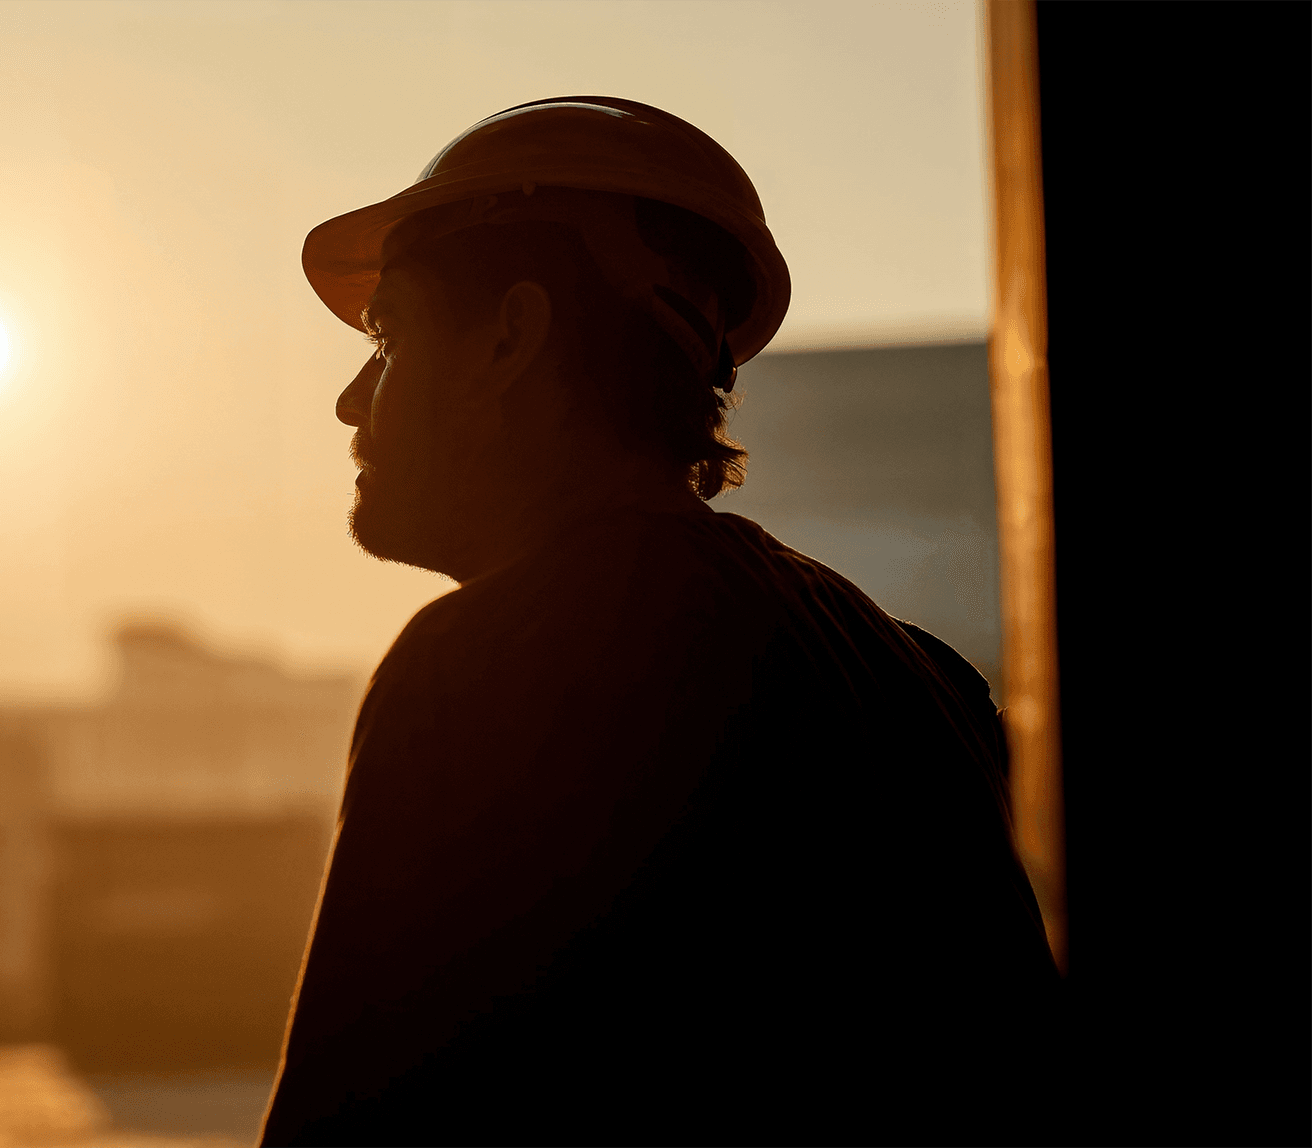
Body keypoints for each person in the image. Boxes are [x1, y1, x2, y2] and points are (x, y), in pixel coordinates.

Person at [260, 98, 1059, 1144]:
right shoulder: (919, 683)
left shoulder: (490, 661)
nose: (353, 401)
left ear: (509, 336)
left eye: (390, 334)